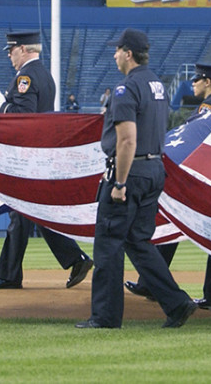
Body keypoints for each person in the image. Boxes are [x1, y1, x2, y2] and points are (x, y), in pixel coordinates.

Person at [77, 28, 196, 329]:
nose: (114, 55)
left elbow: (127, 141)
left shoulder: (126, 89)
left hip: (131, 172)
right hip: (155, 169)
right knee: (138, 241)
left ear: (128, 53)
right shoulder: (157, 84)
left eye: (117, 50)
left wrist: (119, 183)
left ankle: (105, 317)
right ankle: (177, 303)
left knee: (108, 244)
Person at [0, 31, 94, 291]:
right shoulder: (45, 75)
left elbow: (24, 117)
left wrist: (1, 107)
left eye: (11, 50)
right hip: (41, 156)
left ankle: (11, 275)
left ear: (23, 49)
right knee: (33, 214)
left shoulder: (26, 76)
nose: (9, 55)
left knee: (21, 214)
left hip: (27, 158)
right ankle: (73, 259)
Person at [125, 63, 211, 311]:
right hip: (210, 180)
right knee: (175, 223)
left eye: (196, 80)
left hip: (203, 181)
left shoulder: (209, 108)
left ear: (207, 82)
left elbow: (190, 139)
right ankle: (153, 283)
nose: (192, 83)